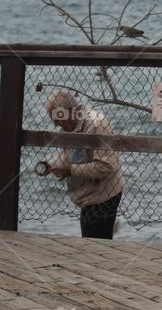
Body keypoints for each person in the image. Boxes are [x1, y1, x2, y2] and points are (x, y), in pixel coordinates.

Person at [39, 90, 124, 239]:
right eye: (53, 119)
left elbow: (107, 166)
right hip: (88, 197)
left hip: (103, 195)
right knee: (95, 242)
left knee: (93, 245)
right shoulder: (67, 127)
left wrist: (71, 170)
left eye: (58, 118)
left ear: (72, 111)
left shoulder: (97, 125)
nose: (55, 124)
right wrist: (51, 165)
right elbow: (69, 157)